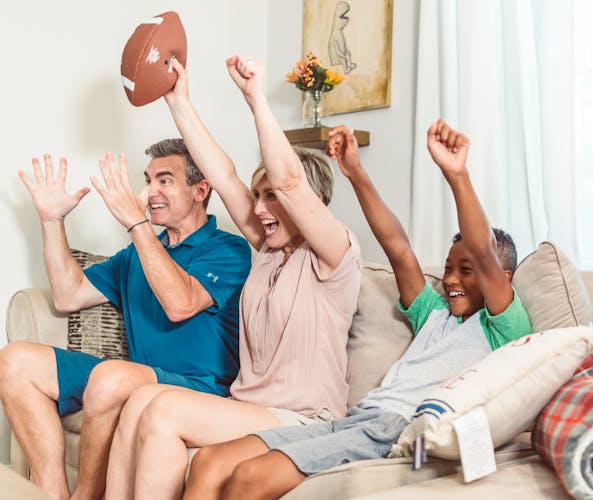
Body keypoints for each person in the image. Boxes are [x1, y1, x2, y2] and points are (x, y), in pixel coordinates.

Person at [182, 120, 533, 499]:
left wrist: (456, 176)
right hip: (359, 418)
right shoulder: (434, 313)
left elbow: (482, 250)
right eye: (449, 269)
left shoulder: (503, 325)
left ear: (503, 279)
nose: (450, 280)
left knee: (251, 476)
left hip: (401, 429)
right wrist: (355, 172)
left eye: (467, 272)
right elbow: (396, 246)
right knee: (210, 462)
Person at [103, 57, 362, 500]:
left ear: (310, 204)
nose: (259, 209)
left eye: (272, 198)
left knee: (163, 408)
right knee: (142, 400)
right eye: (257, 197)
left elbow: (291, 181)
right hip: (246, 409)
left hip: (305, 418)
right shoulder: (266, 250)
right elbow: (221, 174)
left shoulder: (335, 255)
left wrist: (256, 98)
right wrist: (177, 100)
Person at [0, 139, 251, 500]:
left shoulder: (229, 249)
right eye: (148, 181)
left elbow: (179, 303)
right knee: (14, 361)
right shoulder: (139, 252)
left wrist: (137, 225)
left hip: (201, 390)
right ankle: (50, 490)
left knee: (111, 376)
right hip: (133, 382)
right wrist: (51, 221)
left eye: (165, 180)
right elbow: (68, 295)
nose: (150, 193)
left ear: (200, 189)